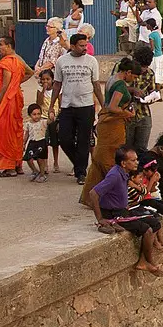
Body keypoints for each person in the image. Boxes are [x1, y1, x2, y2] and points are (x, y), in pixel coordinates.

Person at [89, 145, 163, 275]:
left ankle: (143, 262)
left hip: (123, 209)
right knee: (147, 230)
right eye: (133, 160)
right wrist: (100, 219)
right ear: (123, 163)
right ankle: (150, 262)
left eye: (136, 159)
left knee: (155, 222)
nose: (136, 163)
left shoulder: (124, 173)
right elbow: (93, 193)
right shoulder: (114, 175)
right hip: (114, 214)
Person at [79, 57, 143, 205]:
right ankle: (115, 195)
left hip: (105, 123)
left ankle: (90, 197)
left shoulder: (113, 79)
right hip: (112, 125)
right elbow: (113, 107)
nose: (132, 80)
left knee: (98, 161)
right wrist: (127, 113)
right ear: (127, 72)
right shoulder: (120, 85)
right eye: (133, 76)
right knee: (111, 160)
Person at [52, 32, 101, 182]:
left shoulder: (92, 61)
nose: (84, 48)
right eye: (81, 46)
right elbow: (57, 84)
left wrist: (103, 105)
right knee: (64, 138)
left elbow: (96, 85)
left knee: (83, 140)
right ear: (72, 46)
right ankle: (80, 164)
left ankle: (81, 173)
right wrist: (51, 106)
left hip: (86, 106)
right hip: (67, 106)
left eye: (85, 45)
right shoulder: (62, 61)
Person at [0, 33, 30, 176]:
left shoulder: (6, 63)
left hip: (7, 102)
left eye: (0, 44)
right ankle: (18, 165)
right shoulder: (17, 60)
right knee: (15, 131)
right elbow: (30, 72)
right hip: (15, 98)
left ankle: (9, 167)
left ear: (9, 46)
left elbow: (4, 86)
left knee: (3, 133)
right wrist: (16, 85)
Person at [23, 75, 56, 182]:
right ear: (30, 115)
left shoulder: (43, 122)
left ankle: (42, 174)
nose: (36, 116)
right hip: (32, 142)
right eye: (34, 114)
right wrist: (23, 143)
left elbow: (50, 122)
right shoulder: (28, 124)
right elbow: (27, 134)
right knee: (28, 158)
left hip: (41, 142)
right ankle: (35, 171)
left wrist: (52, 116)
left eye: (38, 114)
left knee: (41, 159)